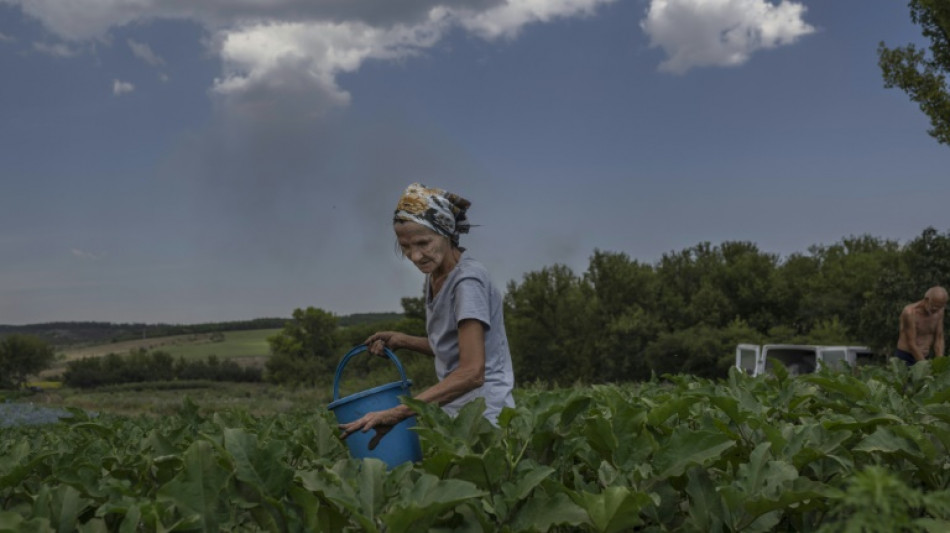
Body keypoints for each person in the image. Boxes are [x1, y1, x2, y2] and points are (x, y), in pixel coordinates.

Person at [339, 183, 515, 449]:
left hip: (484, 416)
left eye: (423, 243)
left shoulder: (467, 283)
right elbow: (452, 348)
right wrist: (402, 340)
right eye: (405, 247)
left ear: (446, 233)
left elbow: (472, 372)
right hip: (456, 412)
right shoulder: (437, 275)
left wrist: (398, 413)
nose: (415, 256)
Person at [894, 286, 947, 366]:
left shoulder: (939, 311)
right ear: (927, 299)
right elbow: (911, 343)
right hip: (906, 358)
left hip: (924, 357)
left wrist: (940, 364)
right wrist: (925, 367)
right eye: (934, 307)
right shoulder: (909, 313)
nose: (935, 311)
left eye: (939, 308)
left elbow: (939, 338)